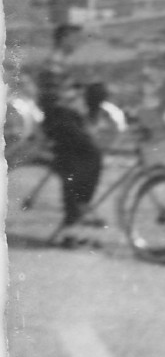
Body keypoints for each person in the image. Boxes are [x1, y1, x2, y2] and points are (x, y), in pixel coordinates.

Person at [35, 23, 103, 242]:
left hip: (66, 119)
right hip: (60, 120)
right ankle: (76, 215)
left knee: (75, 165)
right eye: (75, 38)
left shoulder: (61, 62)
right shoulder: (53, 63)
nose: (78, 43)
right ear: (63, 38)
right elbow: (54, 100)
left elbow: (70, 92)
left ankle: (76, 214)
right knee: (87, 159)